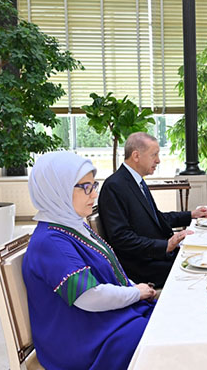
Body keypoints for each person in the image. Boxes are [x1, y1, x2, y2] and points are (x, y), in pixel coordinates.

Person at [22, 151, 156, 370]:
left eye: (94, 185)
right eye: (85, 187)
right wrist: (136, 293)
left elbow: (111, 272)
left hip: (101, 321)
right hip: (80, 339)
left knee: (167, 322)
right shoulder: (50, 242)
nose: (94, 194)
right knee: (160, 337)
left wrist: (135, 289)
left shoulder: (73, 225)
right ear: (57, 188)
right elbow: (89, 297)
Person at [98, 132, 207, 287]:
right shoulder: (114, 186)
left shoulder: (136, 181)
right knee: (203, 268)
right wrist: (165, 246)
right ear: (136, 156)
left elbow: (157, 218)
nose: (158, 160)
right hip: (142, 266)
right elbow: (121, 238)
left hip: (156, 257)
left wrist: (191, 215)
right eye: (154, 155)